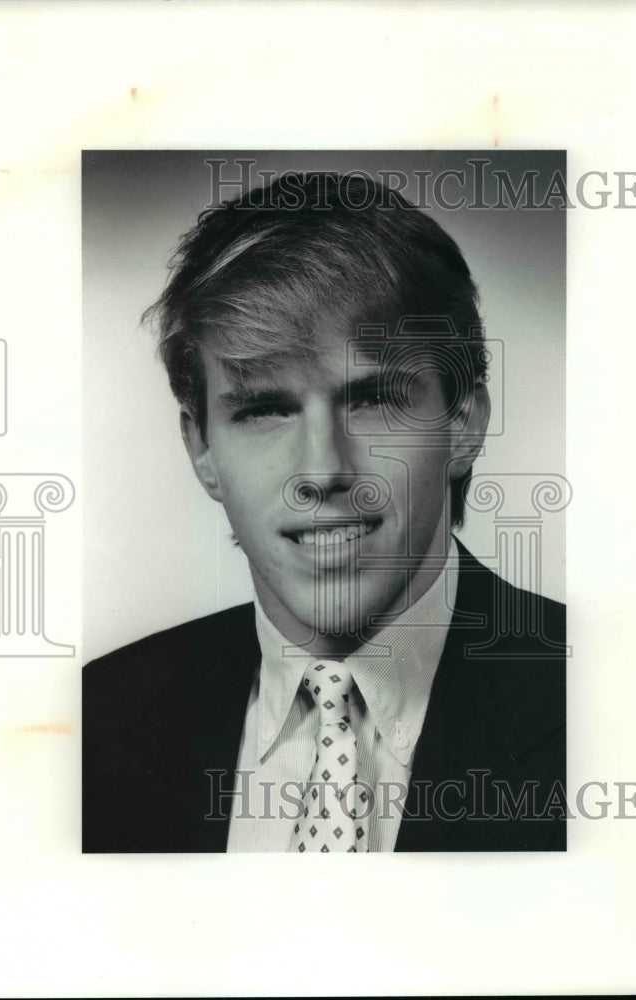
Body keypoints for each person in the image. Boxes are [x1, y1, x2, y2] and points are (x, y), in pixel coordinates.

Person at [82, 172, 566, 853]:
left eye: (371, 400)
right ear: (201, 449)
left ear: (463, 421)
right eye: (264, 409)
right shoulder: (96, 721)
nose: (322, 471)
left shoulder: (620, 702)